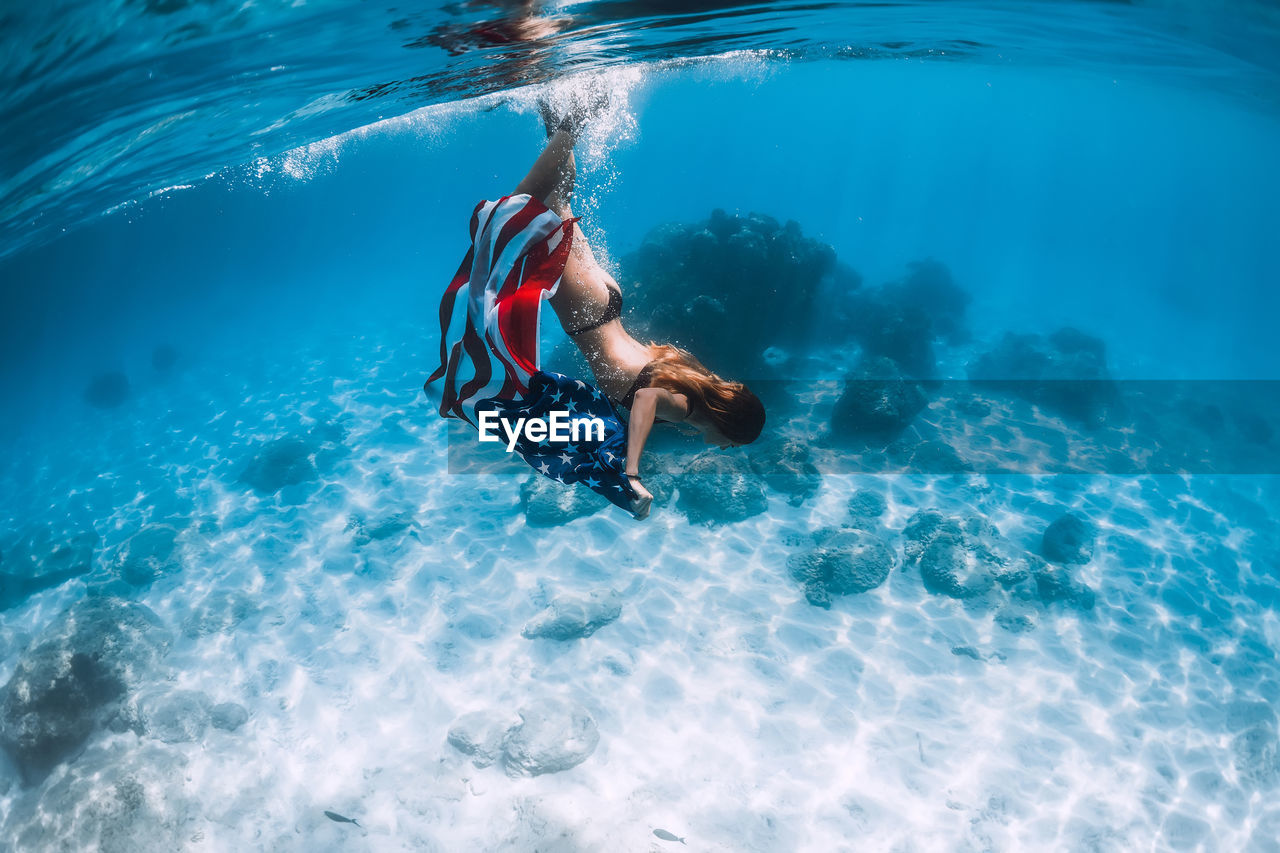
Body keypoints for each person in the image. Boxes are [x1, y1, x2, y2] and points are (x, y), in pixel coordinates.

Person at [514, 96, 766, 517]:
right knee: (525, 208)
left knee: (557, 205)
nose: (725, 448)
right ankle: (571, 121)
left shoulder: (697, 383)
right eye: (732, 441)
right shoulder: (685, 406)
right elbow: (646, 400)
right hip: (587, 314)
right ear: (728, 427)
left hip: (604, 303)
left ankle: (558, 114)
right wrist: (631, 472)